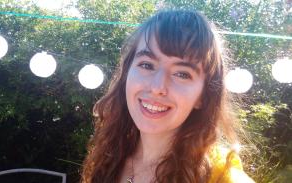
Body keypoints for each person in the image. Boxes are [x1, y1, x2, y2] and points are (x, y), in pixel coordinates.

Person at [81, 9, 255, 183]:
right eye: (147, 65)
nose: (157, 87)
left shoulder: (221, 178)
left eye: (182, 74)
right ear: (127, 73)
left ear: (203, 96)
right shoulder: (109, 158)